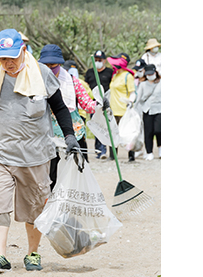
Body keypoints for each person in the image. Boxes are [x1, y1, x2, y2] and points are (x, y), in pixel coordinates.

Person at [0, 29, 80, 274]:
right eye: (3, 58)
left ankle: (33, 253)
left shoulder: (42, 73)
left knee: (35, 207)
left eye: (13, 58)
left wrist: (69, 136)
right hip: (0, 154)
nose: (8, 64)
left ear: (23, 51)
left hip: (35, 155)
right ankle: (0, 255)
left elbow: (59, 108)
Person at [37, 44, 96, 190]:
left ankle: (72, 204)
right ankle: (51, 204)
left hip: (72, 132)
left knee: (76, 170)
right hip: (46, 133)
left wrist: (100, 105)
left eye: (53, 65)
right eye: (46, 65)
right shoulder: (34, 82)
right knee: (51, 172)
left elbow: (87, 104)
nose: (50, 69)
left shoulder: (73, 82)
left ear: (60, 64)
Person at [107, 55, 137, 162]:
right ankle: (112, 155)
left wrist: (130, 102)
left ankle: (131, 155)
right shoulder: (114, 75)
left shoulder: (127, 76)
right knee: (113, 132)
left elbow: (132, 92)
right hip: (113, 109)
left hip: (124, 109)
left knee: (128, 133)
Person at [85, 50, 114, 159]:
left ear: (104, 60)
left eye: (100, 60)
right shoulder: (90, 72)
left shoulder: (109, 72)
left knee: (106, 126)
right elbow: (86, 87)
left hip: (107, 103)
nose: (97, 62)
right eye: (96, 60)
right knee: (97, 126)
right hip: (94, 104)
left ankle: (108, 149)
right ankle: (100, 150)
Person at [136, 63, 161, 160]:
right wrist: (132, 104)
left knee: (158, 130)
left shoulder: (161, 83)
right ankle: (149, 152)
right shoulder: (142, 84)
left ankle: (160, 148)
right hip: (147, 109)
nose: (150, 76)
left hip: (159, 109)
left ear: (155, 73)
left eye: (152, 74)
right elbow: (138, 97)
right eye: (148, 74)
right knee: (148, 131)